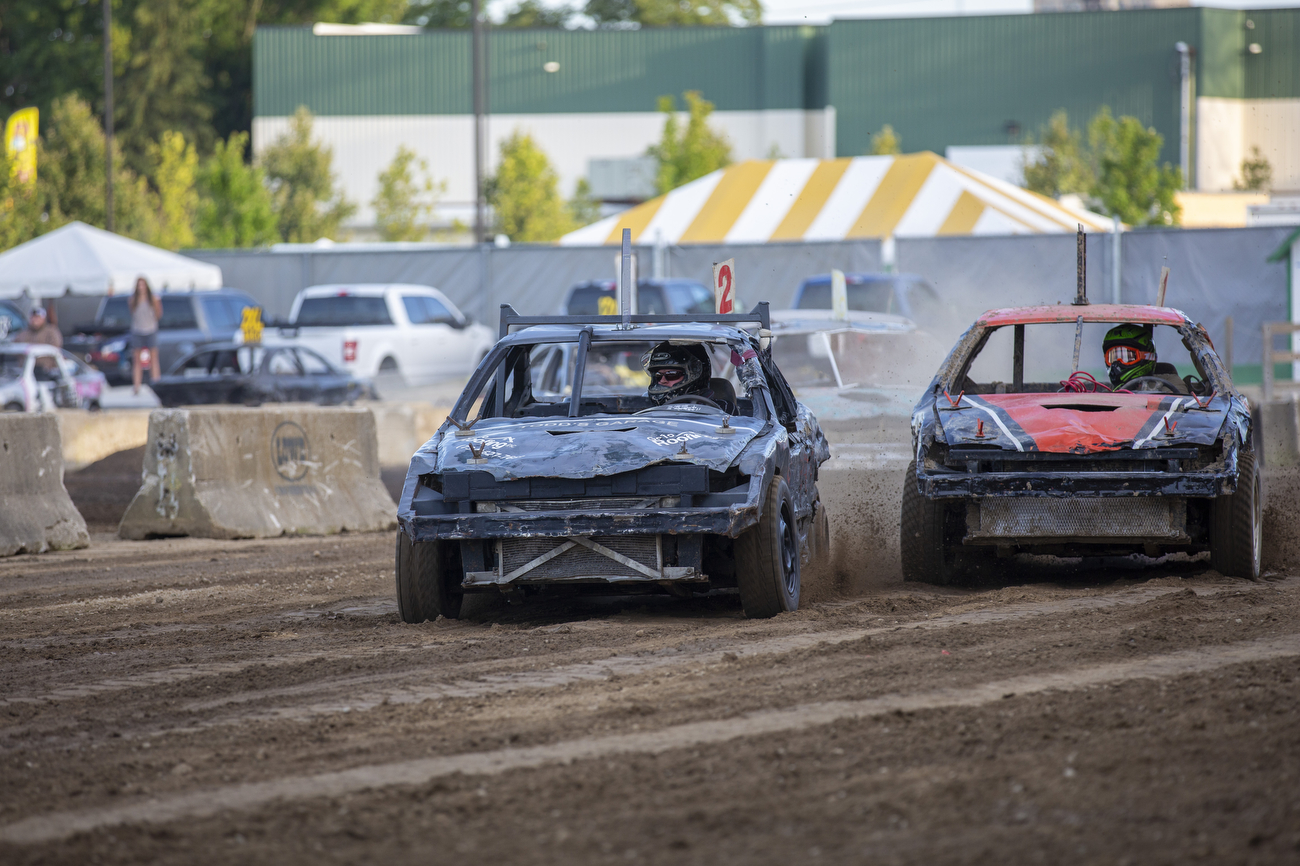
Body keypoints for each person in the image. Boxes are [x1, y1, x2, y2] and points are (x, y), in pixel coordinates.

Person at [643, 341, 735, 413]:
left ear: (696, 375)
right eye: (658, 375)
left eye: (671, 374)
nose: (662, 381)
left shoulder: (722, 409)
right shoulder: (645, 408)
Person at [1103, 323, 1185, 392]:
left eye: (1127, 356)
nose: (1117, 363)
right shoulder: (1107, 390)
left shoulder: (1170, 383)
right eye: (1113, 357)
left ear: (1146, 357)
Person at [128, 277, 164, 395]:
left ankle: (156, 384)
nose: (141, 287)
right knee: (136, 360)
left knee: (153, 359)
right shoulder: (133, 300)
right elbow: (132, 313)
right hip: (137, 330)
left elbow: (159, 314)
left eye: (143, 285)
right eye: (139, 285)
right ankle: (136, 387)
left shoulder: (153, 299)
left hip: (151, 330)